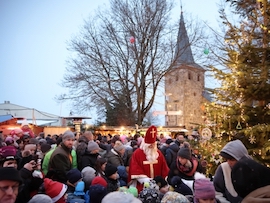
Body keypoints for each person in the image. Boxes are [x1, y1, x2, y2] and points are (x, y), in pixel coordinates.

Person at [128, 125, 169, 192]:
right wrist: (147, 181)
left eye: (153, 145)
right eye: (149, 146)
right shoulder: (137, 154)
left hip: (159, 186)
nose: (151, 147)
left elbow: (164, 168)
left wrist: (164, 180)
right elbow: (135, 169)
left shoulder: (158, 153)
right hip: (143, 185)